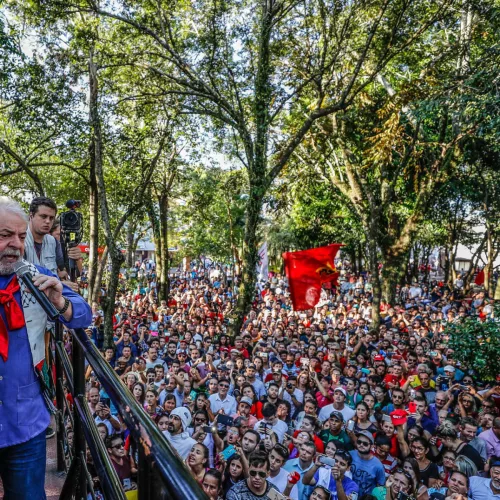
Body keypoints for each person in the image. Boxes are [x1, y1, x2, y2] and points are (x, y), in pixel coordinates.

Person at [0, 197, 91, 498]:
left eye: (21, 236)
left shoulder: (35, 276)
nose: (16, 244)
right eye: (5, 235)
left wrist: (61, 304)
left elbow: (83, 314)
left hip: (25, 422)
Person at [349, 430, 386, 496]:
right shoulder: (350, 455)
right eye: (359, 442)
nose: (361, 445)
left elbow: (381, 488)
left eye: (365, 444)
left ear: (372, 446)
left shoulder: (378, 466)